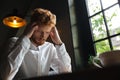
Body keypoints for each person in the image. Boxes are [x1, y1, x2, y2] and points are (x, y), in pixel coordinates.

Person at [0, 8, 72, 80]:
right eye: (39, 31)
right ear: (31, 27)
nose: (43, 36)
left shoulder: (50, 48)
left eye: (47, 32)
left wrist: (59, 43)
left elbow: (66, 72)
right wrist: (25, 37)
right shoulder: (13, 43)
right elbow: (5, 76)